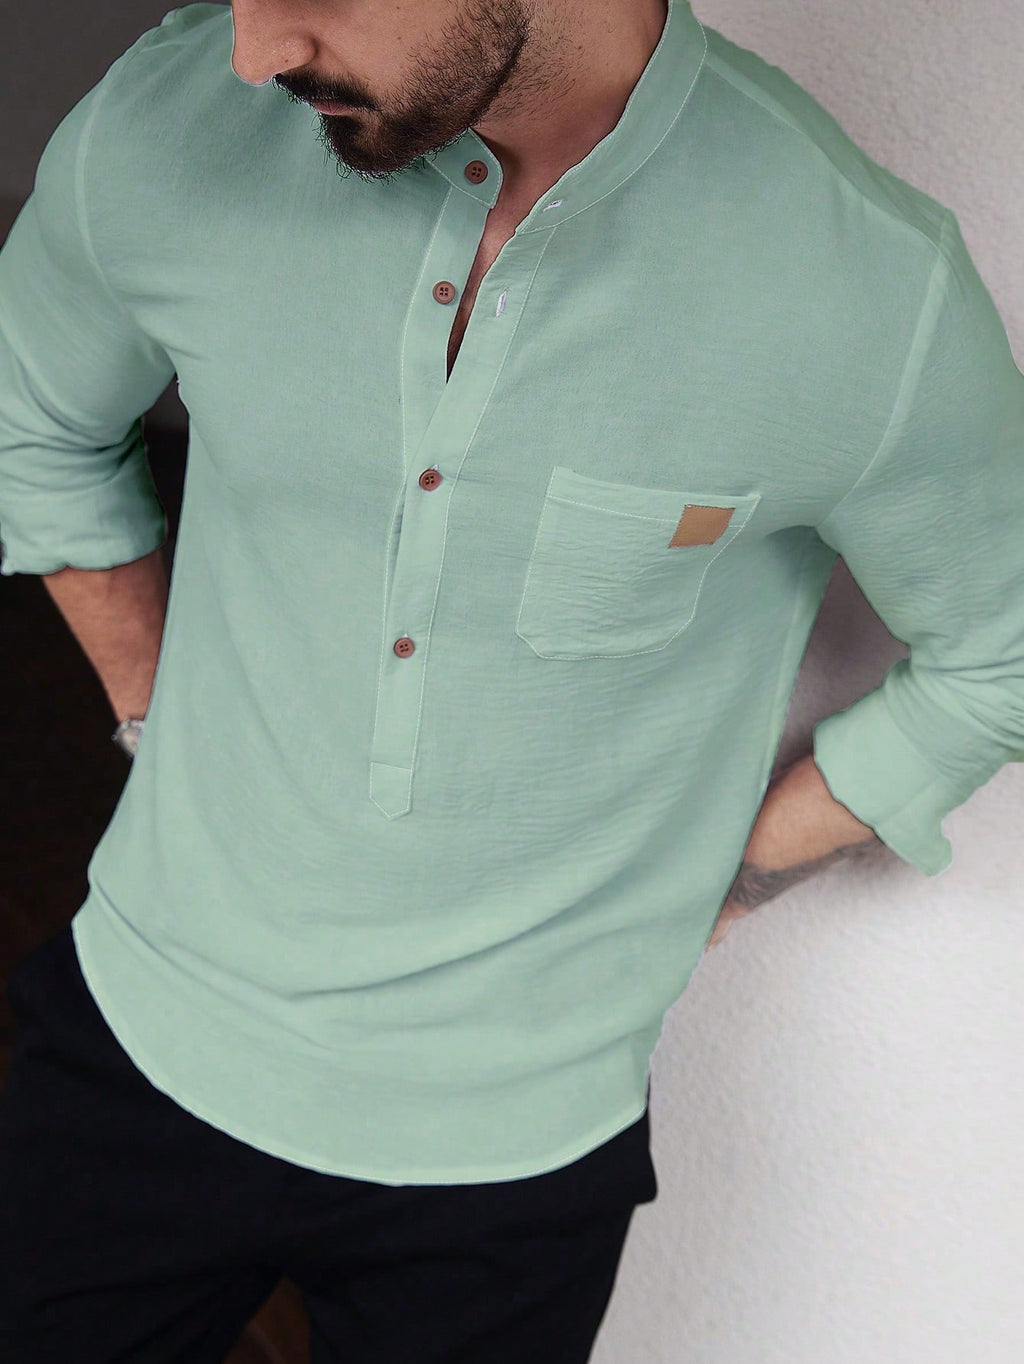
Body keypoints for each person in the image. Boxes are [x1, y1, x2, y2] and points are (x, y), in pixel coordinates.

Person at [1, 1, 1022, 1360]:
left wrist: (730, 877)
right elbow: (34, 416)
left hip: (514, 1165)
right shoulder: (174, 121)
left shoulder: (866, 288)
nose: (256, 50)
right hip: (139, 1038)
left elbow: (1003, 651)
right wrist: (153, 717)